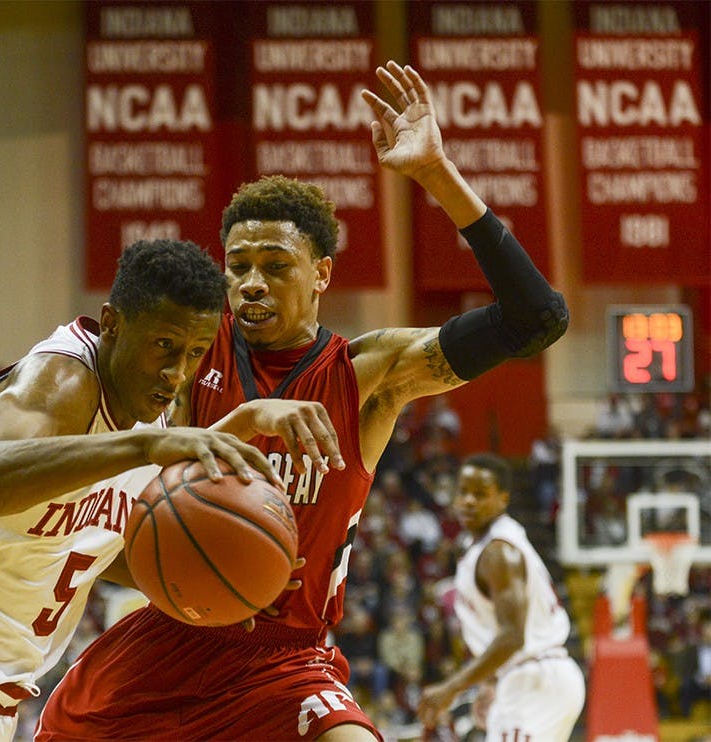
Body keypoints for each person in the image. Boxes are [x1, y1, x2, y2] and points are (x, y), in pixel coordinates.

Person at [37, 60, 569, 741]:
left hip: (287, 658)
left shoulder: (368, 372)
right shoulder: (191, 348)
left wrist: (436, 174)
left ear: (321, 273)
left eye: (275, 266)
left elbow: (537, 318)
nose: (251, 283)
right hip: (171, 639)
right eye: (238, 266)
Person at [0, 238, 333, 741]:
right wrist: (143, 452)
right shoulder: (62, 381)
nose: (175, 373)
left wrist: (233, 578)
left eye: (193, 353)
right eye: (163, 345)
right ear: (113, 325)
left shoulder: (151, 427)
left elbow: (117, 550)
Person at [417, 453, 585, 739]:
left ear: (503, 499)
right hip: (532, 678)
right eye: (463, 492)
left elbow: (513, 637)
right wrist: (491, 681)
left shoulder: (499, 553)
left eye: (480, 494)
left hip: (535, 680)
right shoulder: (483, 545)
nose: (469, 501)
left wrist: (451, 688)